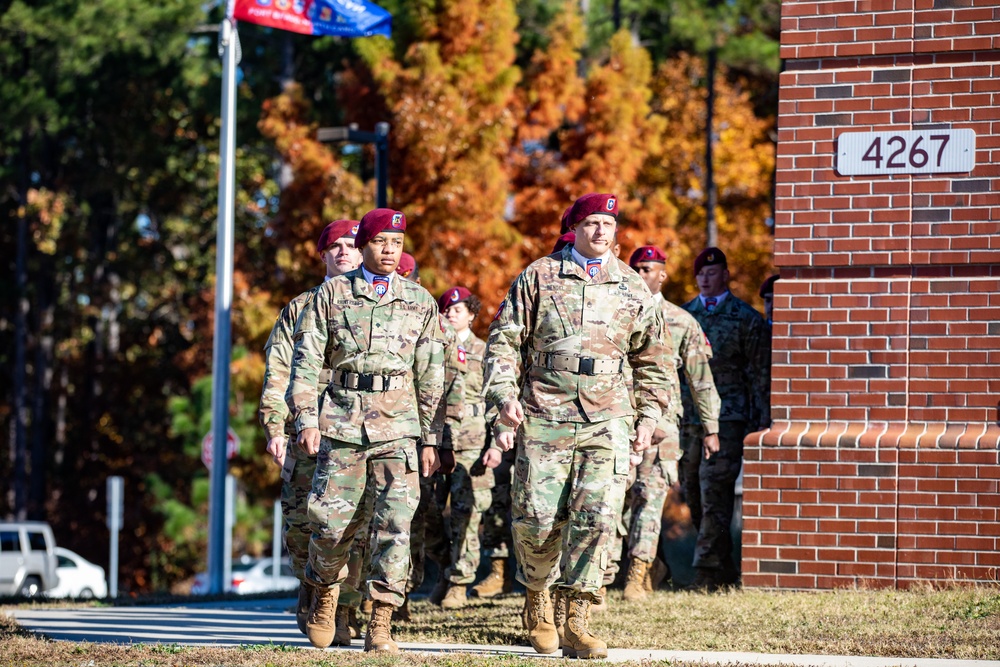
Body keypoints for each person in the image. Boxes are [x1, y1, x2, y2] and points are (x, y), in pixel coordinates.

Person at [483, 193, 676, 659]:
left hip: (608, 416)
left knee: (597, 517)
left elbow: (654, 360)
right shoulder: (540, 276)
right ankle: (537, 597)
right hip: (546, 410)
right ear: (574, 228)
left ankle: (578, 619)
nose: (600, 231)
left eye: (608, 223)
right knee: (538, 519)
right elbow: (505, 340)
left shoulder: (633, 287)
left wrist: (650, 417)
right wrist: (503, 397)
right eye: (591, 223)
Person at [286, 208, 444, 652]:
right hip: (342, 423)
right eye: (380, 242)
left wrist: (431, 437)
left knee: (395, 525)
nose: (390, 250)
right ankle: (325, 594)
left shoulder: (420, 301)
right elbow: (306, 361)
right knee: (331, 525)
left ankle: (381, 621)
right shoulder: (332, 295)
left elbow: (432, 374)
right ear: (364, 246)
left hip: (399, 425)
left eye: (397, 243)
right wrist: (306, 418)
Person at [258, 218, 362, 640]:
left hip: (357, 428)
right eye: (334, 246)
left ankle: (342, 609)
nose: (343, 252)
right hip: (305, 431)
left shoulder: (374, 303)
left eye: (351, 245)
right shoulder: (299, 308)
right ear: (322, 255)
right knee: (302, 522)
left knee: (356, 523)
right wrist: (274, 427)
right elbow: (278, 370)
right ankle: (312, 588)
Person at [623, 245, 721, 600]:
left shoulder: (681, 321)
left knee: (649, 496)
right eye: (635, 268)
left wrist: (711, 429)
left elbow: (701, 380)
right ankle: (603, 579)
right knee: (616, 499)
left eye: (647, 268)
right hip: (617, 421)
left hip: (662, 423)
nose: (640, 273)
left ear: (662, 274)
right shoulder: (615, 314)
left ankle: (637, 573)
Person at [680, 247, 770, 591]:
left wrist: (760, 421)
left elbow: (759, 373)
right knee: (693, 493)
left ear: (725, 275)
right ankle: (724, 564)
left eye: (712, 272)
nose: (705, 278)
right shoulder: (685, 316)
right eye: (700, 273)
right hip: (689, 419)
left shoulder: (745, 318)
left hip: (729, 417)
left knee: (714, 489)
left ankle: (706, 572)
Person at [432, 286, 494, 610]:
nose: (451, 313)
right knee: (426, 513)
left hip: (471, 440)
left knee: (466, 512)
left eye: (458, 309)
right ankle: (444, 565)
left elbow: (498, 397)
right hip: (433, 436)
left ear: (471, 314)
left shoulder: (485, 352)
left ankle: (458, 582)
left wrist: (495, 442)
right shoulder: (432, 348)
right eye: (446, 309)